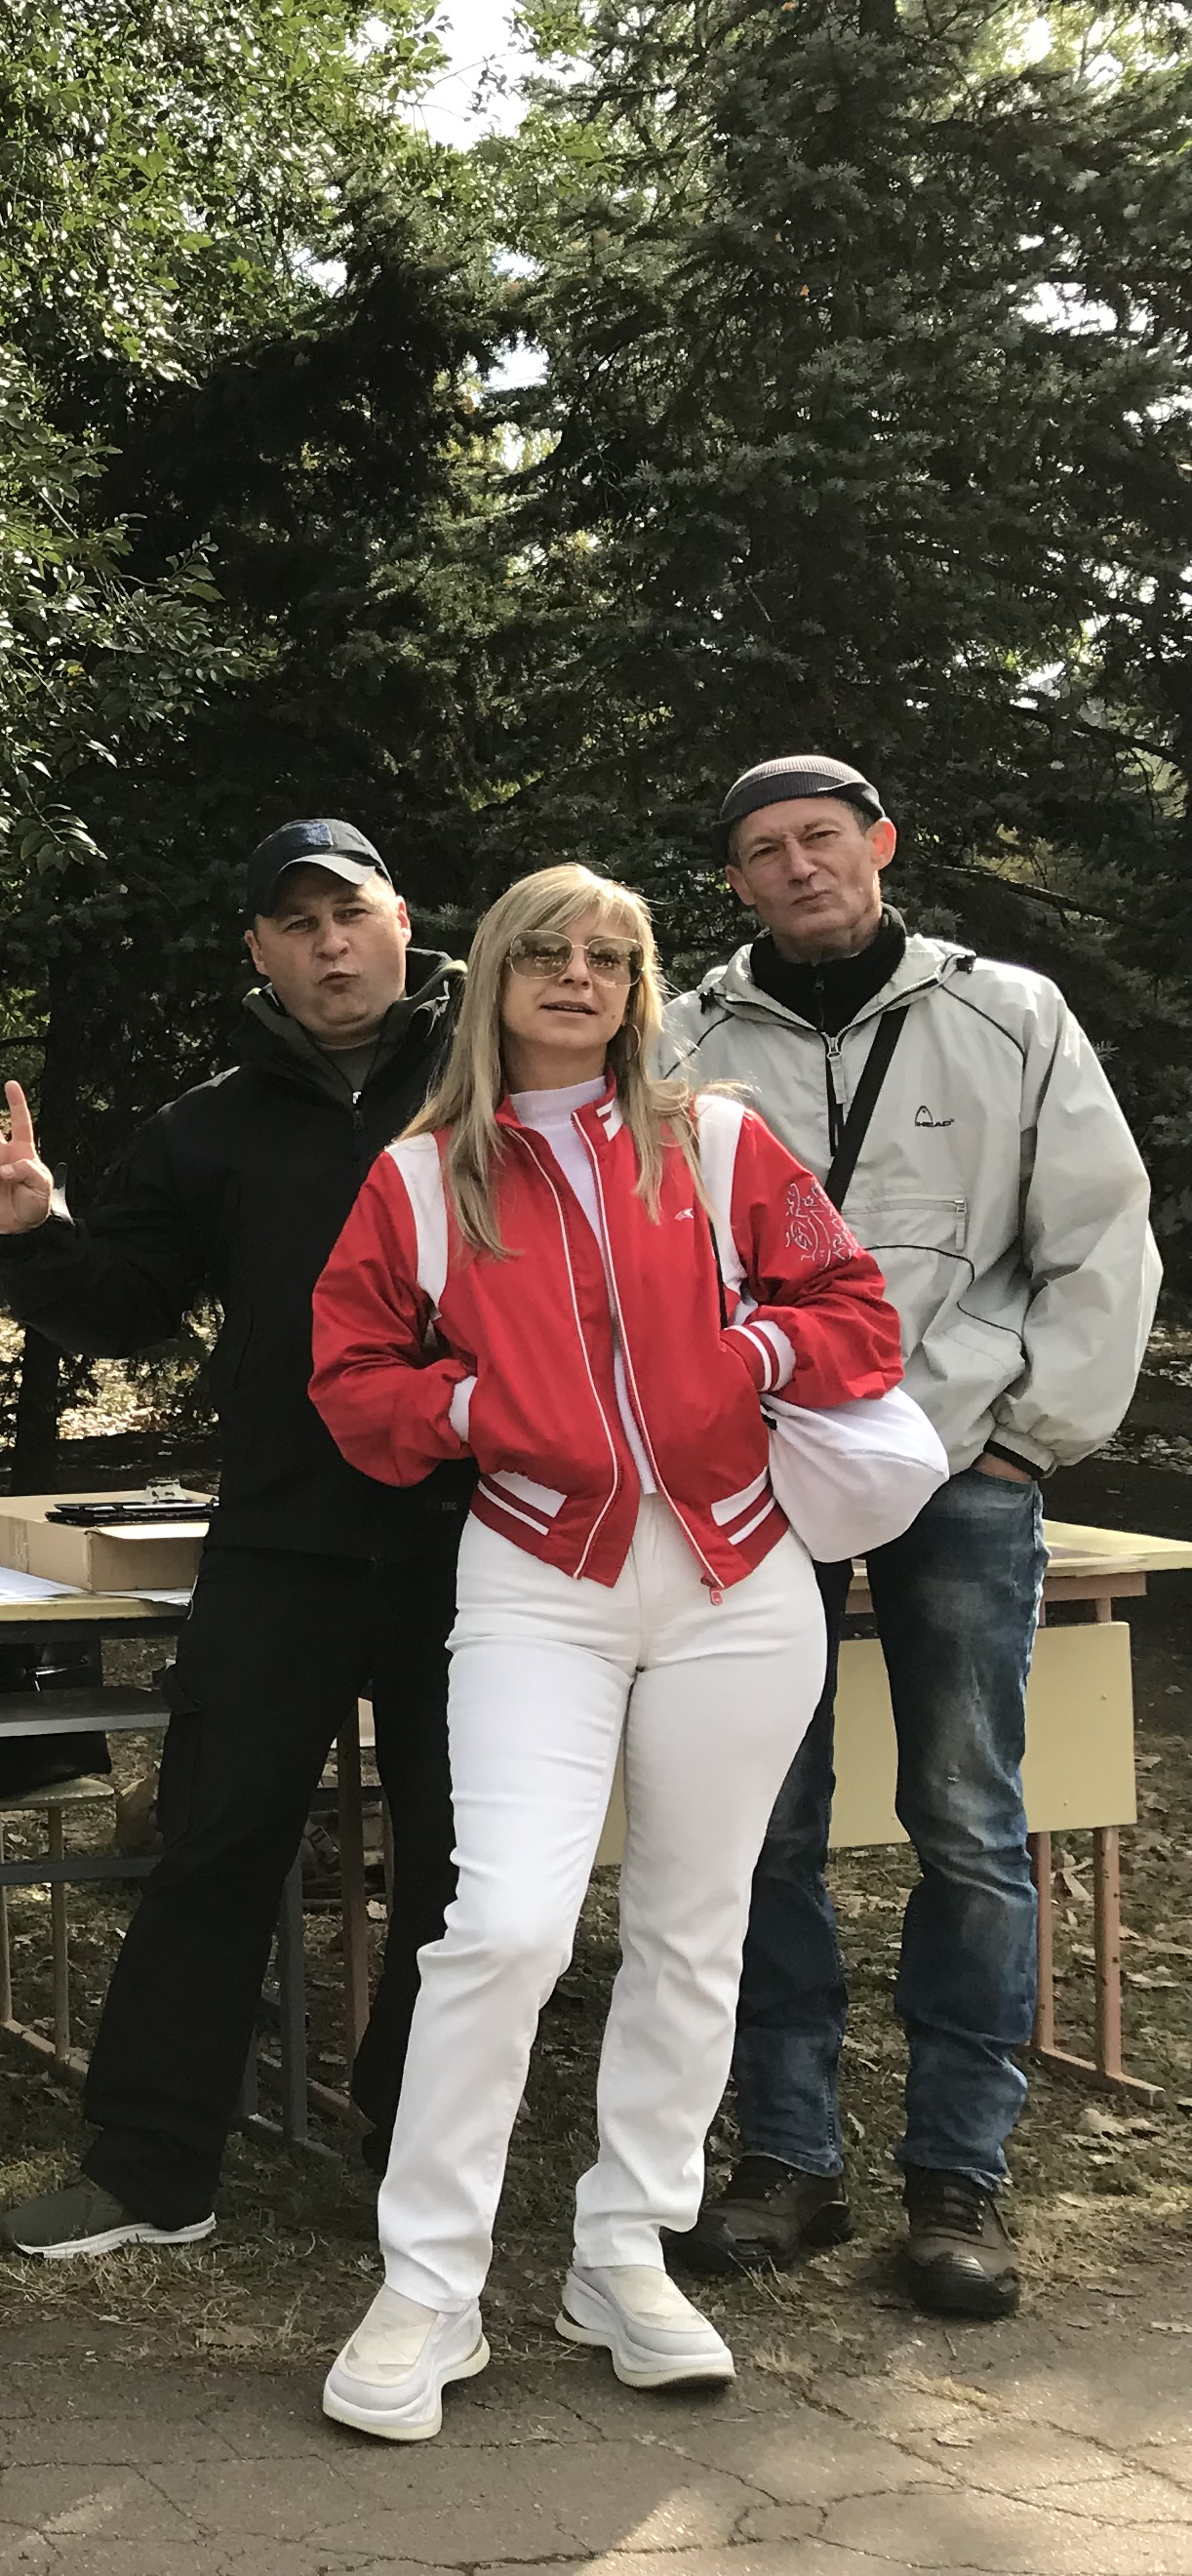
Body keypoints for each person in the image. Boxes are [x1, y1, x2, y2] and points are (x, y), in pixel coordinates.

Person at [305, 862, 899, 2442]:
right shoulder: (421, 1176)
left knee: (694, 1930)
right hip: (537, 1580)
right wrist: (473, 1407)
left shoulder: (720, 1143)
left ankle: (624, 2253)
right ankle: (427, 2286)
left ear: (638, 988)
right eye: (547, 953)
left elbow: (855, 1309)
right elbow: (350, 1376)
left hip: (739, 1578)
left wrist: (751, 1350)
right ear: (497, 976)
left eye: (610, 958)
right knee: (502, 1926)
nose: (578, 976)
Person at [661, 756, 1164, 2317]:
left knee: (968, 1818)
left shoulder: (1008, 1014)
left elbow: (1099, 1235)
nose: (798, 866)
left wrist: (1026, 1439)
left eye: (823, 837)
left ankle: (958, 2179)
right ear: (735, 880)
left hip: (960, 1464)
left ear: (880, 846)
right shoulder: (681, 1041)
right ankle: (787, 2161)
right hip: (761, 1473)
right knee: (768, 1819)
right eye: (764, 850)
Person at [0, 819, 470, 2262]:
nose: (330, 946)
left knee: (461, 1868)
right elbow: (124, 1302)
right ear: (257, 950)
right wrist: (31, 1231)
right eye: (296, 923)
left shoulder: (495, 1090)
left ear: (401, 922)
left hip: (479, 1540)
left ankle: (425, 2159)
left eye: (350, 915)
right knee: (213, 1845)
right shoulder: (209, 1127)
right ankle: (153, 2167)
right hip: (283, 1539)